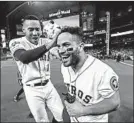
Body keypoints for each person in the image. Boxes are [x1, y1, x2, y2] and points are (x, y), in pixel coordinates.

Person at [9, 15, 68, 122]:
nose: (35, 33)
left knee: (63, 116)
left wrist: (60, 53)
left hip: (48, 85)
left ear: (41, 30)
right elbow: (24, 58)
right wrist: (50, 45)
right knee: (42, 120)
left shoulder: (46, 41)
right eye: (30, 29)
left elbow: (56, 51)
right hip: (32, 89)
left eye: (37, 29)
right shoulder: (16, 42)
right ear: (23, 30)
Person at [57, 26, 120, 122]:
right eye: (59, 46)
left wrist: (82, 110)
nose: (61, 50)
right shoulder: (64, 67)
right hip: (74, 118)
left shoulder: (102, 71)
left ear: (81, 46)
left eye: (66, 45)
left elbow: (114, 103)